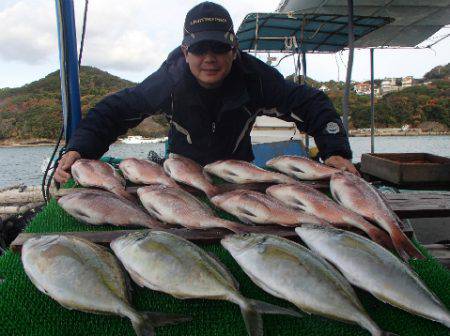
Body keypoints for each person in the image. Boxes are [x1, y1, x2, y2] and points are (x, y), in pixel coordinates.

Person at [54, 1, 358, 184]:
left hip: (238, 174)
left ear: (234, 49)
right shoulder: (167, 82)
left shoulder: (256, 79)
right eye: (200, 48)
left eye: (220, 47)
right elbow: (113, 112)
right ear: (186, 51)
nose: (209, 57)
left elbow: (311, 102)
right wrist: (78, 150)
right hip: (181, 173)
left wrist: (335, 152)